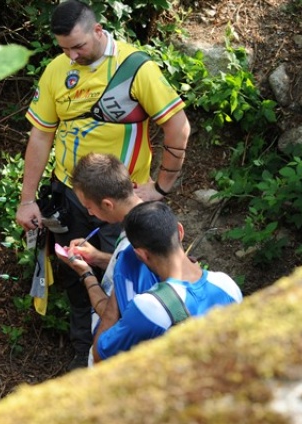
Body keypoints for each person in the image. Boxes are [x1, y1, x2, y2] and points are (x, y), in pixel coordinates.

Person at [15, 0, 191, 370]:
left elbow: (178, 126)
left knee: (126, 278)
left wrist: (161, 187)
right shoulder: (56, 70)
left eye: (78, 46)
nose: (72, 56)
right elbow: (40, 137)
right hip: (68, 195)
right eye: (64, 49)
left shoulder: (135, 67)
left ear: (98, 31)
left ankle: (126, 361)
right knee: (76, 271)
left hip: (120, 201)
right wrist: (27, 199)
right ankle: (85, 356)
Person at [91, 201, 243, 362]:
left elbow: (100, 355)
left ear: (142, 255)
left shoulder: (151, 307)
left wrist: (114, 295)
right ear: (180, 231)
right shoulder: (226, 285)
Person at [54, 153, 159, 365]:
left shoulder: (134, 244)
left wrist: (85, 273)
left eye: (89, 207)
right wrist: (98, 258)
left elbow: (115, 315)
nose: (90, 214)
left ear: (108, 204)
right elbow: (135, 270)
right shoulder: (150, 221)